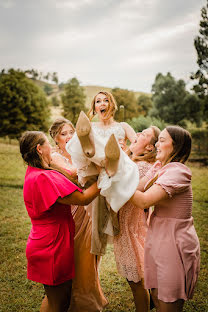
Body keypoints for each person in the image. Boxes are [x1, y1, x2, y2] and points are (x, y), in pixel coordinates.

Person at [19, 130, 101, 312]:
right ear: (40, 149)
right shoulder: (43, 178)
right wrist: (105, 175)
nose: (51, 146)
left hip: (50, 240)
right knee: (58, 303)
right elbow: (84, 198)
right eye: (48, 142)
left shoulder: (38, 172)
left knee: (60, 299)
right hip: (51, 245)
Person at [130, 126, 200, 312]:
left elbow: (144, 200)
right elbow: (139, 188)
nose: (156, 144)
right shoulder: (159, 167)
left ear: (175, 146)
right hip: (157, 237)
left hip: (174, 243)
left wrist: (115, 184)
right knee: (157, 297)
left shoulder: (179, 172)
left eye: (161, 140)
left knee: (169, 304)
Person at [66, 91, 139, 255]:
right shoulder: (90, 128)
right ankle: (104, 171)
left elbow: (137, 145)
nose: (102, 103)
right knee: (97, 218)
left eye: (106, 100)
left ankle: (111, 167)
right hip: (96, 170)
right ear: (94, 107)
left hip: (119, 169)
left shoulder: (123, 127)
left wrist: (125, 151)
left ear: (112, 104)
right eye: (98, 101)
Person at [49, 118, 108, 312]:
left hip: (89, 207)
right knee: (76, 253)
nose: (69, 137)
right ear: (55, 138)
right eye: (63, 134)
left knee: (88, 254)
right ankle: (75, 300)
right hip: (72, 207)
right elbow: (73, 173)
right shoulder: (54, 156)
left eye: (71, 132)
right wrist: (97, 164)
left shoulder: (80, 153)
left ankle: (88, 297)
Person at [113, 126, 160, 312]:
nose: (138, 134)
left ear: (149, 147)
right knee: (137, 279)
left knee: (137, 283)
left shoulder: (141, 167)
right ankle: (154, 301)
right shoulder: (135, 162)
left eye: (144, 134)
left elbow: (119, 187)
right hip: (129, 227)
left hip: (131, 229)